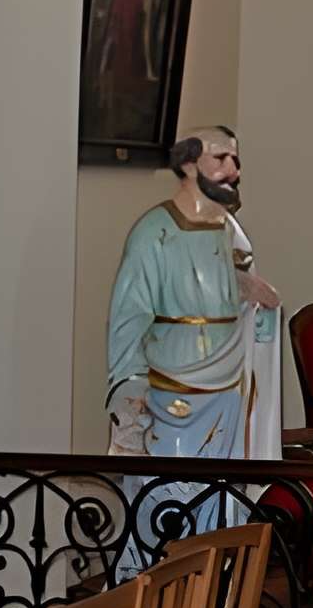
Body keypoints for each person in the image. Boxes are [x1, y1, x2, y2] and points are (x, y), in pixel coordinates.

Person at [107, 125, 284, 555]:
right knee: (169, 496)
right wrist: (129, 382)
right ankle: (160, 597)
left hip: (227, 387)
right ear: (188, 165)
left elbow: (246, 305)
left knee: (221, 497)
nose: (233, 170)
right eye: (220, 159)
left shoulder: (230, 231)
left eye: (236, 160)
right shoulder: (155, 232)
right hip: (172, 387)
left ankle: (214, 597)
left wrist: (259, 306)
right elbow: (129, 312)